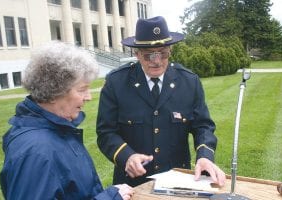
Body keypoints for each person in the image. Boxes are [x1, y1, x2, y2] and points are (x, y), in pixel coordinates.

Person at [96, 16, 226, 187]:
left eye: (162, 54)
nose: (156, 61)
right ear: (137, 54)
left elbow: (203, 126)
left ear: (170, 51)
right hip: (132, 184)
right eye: (149, 55)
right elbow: (106, 132)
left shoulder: (189, 82)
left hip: (177, 181)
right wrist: (126, 156)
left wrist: (204, 156)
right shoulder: (116, 83)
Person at [0, 41, 134, 200]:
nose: (89, 97)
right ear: (54, 92)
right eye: (82, 90)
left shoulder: (57, 131)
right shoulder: (36, 151)